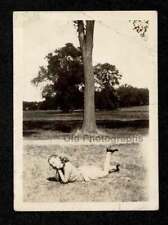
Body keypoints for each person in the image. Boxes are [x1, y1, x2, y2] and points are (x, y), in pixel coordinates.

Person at [48, 148, 120, 183]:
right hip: (82, 170)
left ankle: (108, 153)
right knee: (102, 170)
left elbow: (64, 181)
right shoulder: (61, 165)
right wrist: (58, 169)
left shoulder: (67, 166)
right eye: (52, 164)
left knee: (105, 173)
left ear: (58, 158)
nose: (53, 165)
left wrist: (59, 170)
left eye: (54, 162)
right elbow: (57, 178)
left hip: (86, 174)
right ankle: (114, 168)